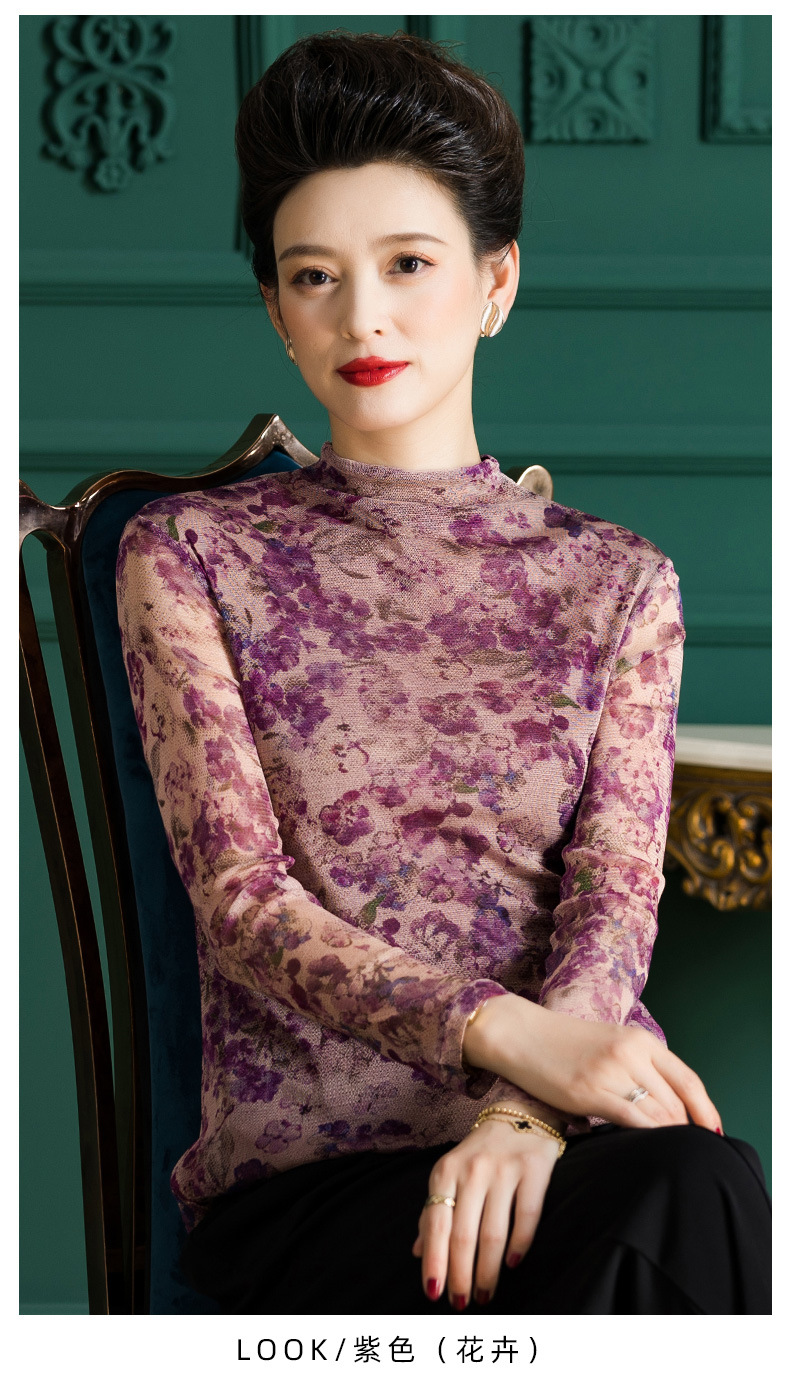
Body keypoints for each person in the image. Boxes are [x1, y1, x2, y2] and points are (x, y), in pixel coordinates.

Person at [115, 30, 770, 1315]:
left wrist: (523, 1113)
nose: (361, 315)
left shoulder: (619, 580)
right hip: (316, 1181)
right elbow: (241, 900)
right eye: (314, 276)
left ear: (495, 281)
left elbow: (615, 897)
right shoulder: (191, 553)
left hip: (567, 1145)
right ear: (276, 311)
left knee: (696, 1182)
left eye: (408, 264)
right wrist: (505, 1035)